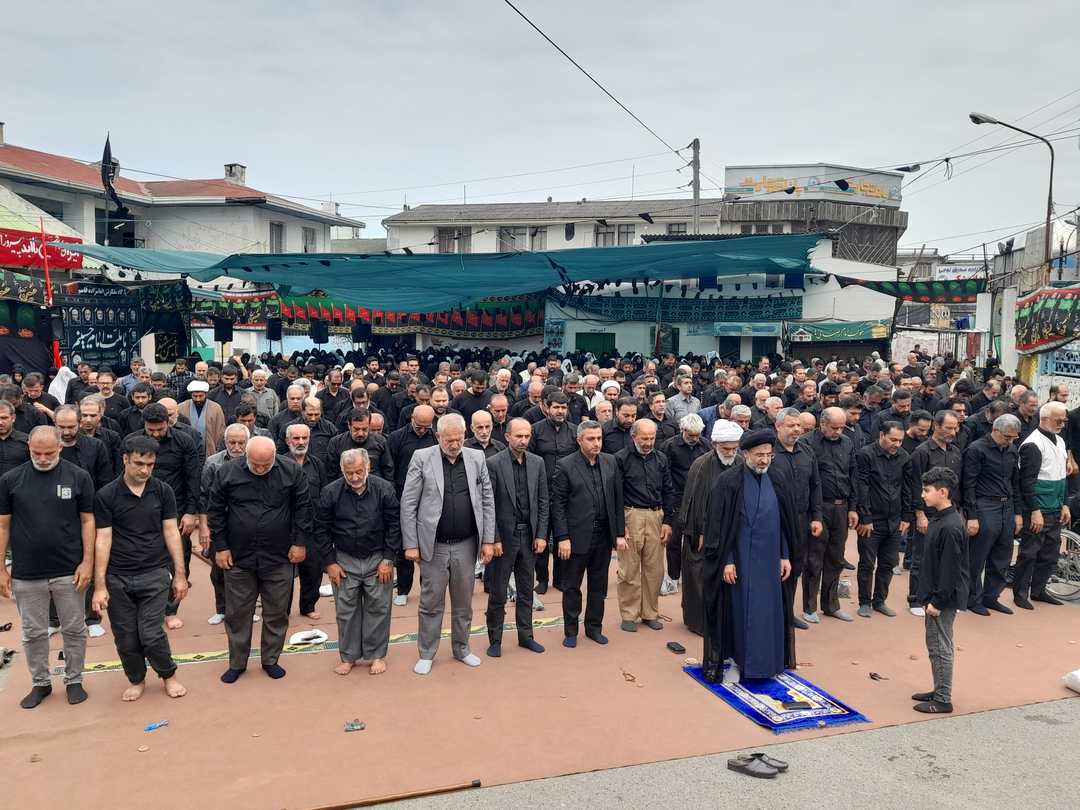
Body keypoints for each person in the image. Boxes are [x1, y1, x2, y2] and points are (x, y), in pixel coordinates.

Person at [0, 426, 96, 708]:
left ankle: (74, 679)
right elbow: (2, 525)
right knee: (33, 632)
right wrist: (1, 569)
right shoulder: (10, 480)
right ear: (28, 447)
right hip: (27, 572)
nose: (43, 459)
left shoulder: (78, 477)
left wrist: (87, 562)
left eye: (49, 453)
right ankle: (40, 682)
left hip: (70, 569)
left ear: (61, 447)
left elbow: (88, 521)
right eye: (37, 453)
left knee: (74, 628)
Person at [91, 435, 189, 702]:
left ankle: (168, 675)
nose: (145, 470)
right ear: (125, 459)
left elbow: (171, 532)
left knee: (151, 633)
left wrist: (180, 575)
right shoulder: (106, 495)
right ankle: (136, 679)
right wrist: (99, 586)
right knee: (125, 637)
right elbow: (103, 540)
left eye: (150, 464)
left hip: (154, 573)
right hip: (117, 577)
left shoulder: (163, 491)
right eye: (138, 463)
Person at [208, 437, 313, 682]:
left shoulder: (291, 471)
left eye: (266, 464)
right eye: (255, 464)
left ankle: (271, 660)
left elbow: (303, 508)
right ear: (246, 456)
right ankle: (237, 663)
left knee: (277, 611)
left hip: (279, 555)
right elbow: (215, 511)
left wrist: (300, 543)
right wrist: (220, 548)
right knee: (237, 613)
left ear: (275, 457)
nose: (261, 469)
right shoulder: (227, 472)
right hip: (238, 556)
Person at [400, 413, 495, 674]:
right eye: (449, 440)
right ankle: (427, 652)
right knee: (431, 603)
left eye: (459, 439)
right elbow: (408, 503)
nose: (455, 444)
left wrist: (488, 540)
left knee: (464, 602)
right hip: (434, 545)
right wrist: (411, 544)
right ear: (438, 437)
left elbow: (487, 500)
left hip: (467, 544)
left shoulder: (477, 458)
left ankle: (462, 648)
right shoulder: (422, 458)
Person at [702, 430, 799, 684]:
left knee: (769, 613)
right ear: (745, 453)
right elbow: (718, 526)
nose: (764, 460)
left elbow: (785, 522)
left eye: (768, 455)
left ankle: (770, 663)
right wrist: (727, 560)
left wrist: (785, 556)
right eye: (759, 455)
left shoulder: (777, 478)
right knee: (739, 612)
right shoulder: (729, 480)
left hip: (770, 560)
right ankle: (736, 663)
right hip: (741, 560)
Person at [317, 448, 400, 676]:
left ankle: (376, 655)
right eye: (349, 473)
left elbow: (395, 525)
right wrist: (330, 563)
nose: (354, 477)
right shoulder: (330, 492)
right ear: (342, 471)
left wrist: (388, 559)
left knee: (379, 607)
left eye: (359, 472)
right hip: (344, 559)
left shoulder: (384, 489)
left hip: (377, 558)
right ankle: (348, 656)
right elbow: (321, 529)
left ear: (368, 467)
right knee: (346, 610)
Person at [551, 420, 626, 647]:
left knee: (598, 587)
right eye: (591, 439)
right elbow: (558, 505)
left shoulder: (610, 462)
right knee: (572, 587)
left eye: (599, 438)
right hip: (576, 537)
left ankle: (594, 628)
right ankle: (571, 631)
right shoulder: (565, 465)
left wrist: (619, 533)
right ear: (579, 441)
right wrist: (563, 538)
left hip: (603, 535)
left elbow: (617, 500)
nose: (596, 443)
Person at [484, 418, 549, 656]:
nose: (523, 441)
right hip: (504, 537)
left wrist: (541, 534)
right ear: (507, 437)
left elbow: (543, 501)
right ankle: (495, 639)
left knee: (526, 590)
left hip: (529, 536)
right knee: (498, 591)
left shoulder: (537, 463)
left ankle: (526, 636)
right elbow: (488, 505)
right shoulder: (493, 463)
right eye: (518, 436)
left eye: (527, 436)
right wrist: (494, 538)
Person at [139, 403, 201, 630]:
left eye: (160, 429)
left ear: (169, 422)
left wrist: (191, 513)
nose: (156, 434)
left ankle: (170, 611)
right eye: (151, 430)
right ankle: (148, 609)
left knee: (176, 561)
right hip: (142, 511)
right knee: (144, 561)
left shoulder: (185, 441)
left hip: (177, 511)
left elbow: (193, 478)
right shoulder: (133, 442)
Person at [679, 420, 743, 636]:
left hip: (730, 532)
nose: (731, 453)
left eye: (734, 448)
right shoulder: (701, 465)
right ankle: (699, 623)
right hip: (702, 533)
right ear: (715, 444)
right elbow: (692, 503)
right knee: (699, 577)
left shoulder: (740, 462)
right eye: (726, 449)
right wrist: (699, 532)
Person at [912, 466, 968, 715]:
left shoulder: (950, 526)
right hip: (935, 594)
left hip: (942, 598)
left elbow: (950, 570)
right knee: (936, 643)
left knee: (939, 646)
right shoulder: (942, 519)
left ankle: (943, 698)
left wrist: (937, 601)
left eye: (927, 490)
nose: (923, 495)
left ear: (943, 492)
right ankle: (939, 690)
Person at [614, 420, 675, 633]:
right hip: (631, 514)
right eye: (644, 438)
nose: (649, 443)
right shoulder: (620, 458)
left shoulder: (661, 458)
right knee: (629, 568)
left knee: (654, 569)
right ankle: (629, 614)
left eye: (652, 438)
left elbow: (668, 490)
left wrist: (667, 521)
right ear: (634, 437)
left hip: (656, 515)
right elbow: (616, 494)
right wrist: (620, 526)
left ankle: (650, 613)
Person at [963, 414, 1022, 616]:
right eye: (1007, 437)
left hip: (1007, 505)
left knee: (1002, 555)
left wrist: (1018, 513)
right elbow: (968, 483)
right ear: (995, 430)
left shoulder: (1012, 450)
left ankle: (991, 597)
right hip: (984, 504)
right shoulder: (976, 449)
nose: (1010, 441)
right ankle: (972, 598)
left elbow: (1015, 482)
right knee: (977, 556)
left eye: (1014, 437)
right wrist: (972, 515)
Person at [770, 408, 822, 637]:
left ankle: (787, 614)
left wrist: (816, 516)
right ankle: (772, 615)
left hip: (801, 521)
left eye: (798, 425)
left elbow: (815, 485)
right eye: (791, 425)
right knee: (774, 569)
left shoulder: (807, 451)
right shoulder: (769, 452)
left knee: (795, 567)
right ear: (778, 426)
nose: (796, 430)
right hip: (774, 522)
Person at [1014, 402, 1071, 609]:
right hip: (1037, 508)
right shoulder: (1033, 445)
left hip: (1055, 506)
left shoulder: (1060, 440)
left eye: (1064, 421)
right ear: (1044, 419)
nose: (1062, 424)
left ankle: (1038, 591)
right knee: (1029, 553)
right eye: (1058, 421)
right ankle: (1020, 594)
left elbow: (1062, 476)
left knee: (1050, 554)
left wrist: (1065, 504)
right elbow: (1026, 482)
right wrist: (1034, 511)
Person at [906, 410, 962, 616]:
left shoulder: (956, 452)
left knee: (945, 558)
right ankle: (915, 599)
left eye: (955, 428)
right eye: (948, 428)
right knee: (921, 557)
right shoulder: (922, 452)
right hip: (927, 513)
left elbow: (958, 485)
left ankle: (940, 598)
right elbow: (915, 485)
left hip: (949, 513)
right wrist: (919, 514)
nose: (952, 432)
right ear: (936, 426)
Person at [854, 423, 913, 618]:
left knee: (888, 563)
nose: (897, 444)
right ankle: (864, 602)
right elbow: (861, 488)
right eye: (893, 440)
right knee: (867, 563)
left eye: (900, 440)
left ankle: (879, 601)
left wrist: (906, 517)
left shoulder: (904, 457)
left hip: (895, 521)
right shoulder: (865, 455)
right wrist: (865, 517)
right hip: (871, 521)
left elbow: (907, 488)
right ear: (881, 435)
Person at [199, 423, 251, 625]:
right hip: (220, 523)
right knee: (219, 569)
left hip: (247, 524)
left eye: (241, 442)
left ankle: (246, 610)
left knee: (248, 569)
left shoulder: (255, 460)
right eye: (232, 442)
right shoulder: (213, 462)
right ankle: (222, 609)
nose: (237, 447)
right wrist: (204, 527)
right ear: (224, 441)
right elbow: (204, 496)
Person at [385, 404, 437, 606]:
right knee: (404, 544)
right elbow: (389, 467)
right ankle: (403, 590)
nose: (422, 430)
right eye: (419, 426)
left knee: (429, 545)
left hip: (430, 495)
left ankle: (428, 589)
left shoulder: (435, 436)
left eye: (426, 426)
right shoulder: (396, 437)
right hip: (402, 494)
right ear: (412, 419)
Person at [283, 422, 326, 620]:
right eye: (296, 438)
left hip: (312, 527)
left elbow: (325, 495)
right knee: (284, 574)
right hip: (284, 528)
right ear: (287, 440)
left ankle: (308, 606)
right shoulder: (279, 464)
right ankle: (282, 610)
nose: (301, 442)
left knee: (313, 571)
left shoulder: (317, 464)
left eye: (304, 438)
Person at [178, 379, 225, 458]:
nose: (198, 399)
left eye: (201, 396)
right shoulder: (181, 407)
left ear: (206, 394)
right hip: (187, 450)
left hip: (209, 450)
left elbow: (221, 430)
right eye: (195, 396)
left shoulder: (216, 408)